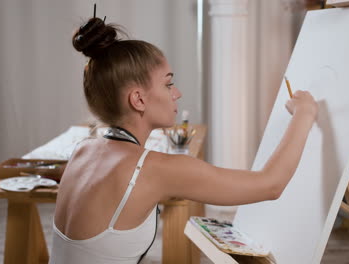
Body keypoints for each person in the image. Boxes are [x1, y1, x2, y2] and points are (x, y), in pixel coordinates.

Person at [50, 16, 318, 264]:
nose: (176, 93)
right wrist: (304, 113)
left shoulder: (83, 150)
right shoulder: (155, 169)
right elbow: (270, 185)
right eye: (168, 84)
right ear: (138, 99)